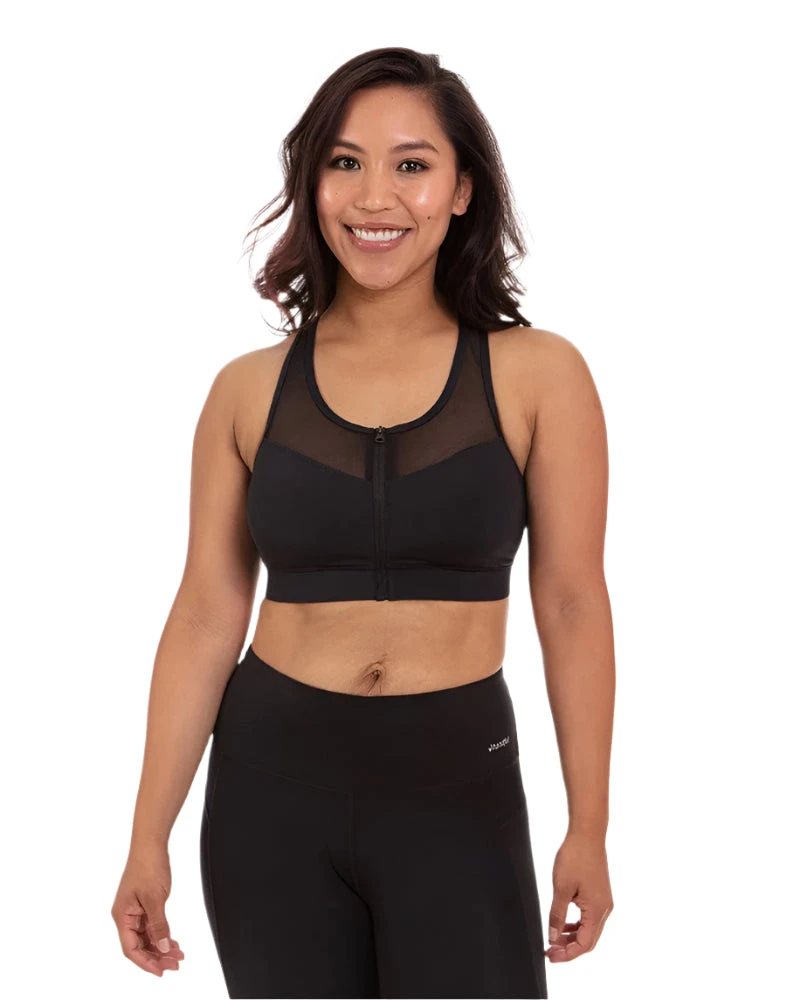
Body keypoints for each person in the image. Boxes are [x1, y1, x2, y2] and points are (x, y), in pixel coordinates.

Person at [110, 46, 615, 999]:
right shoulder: (245, 391)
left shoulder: (539, 375)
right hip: (269, 792)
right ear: (313, 183)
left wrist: (588, 825)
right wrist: (147, 836)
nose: (375, 196)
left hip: (457, 787)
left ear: (461, 190)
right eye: (345, 162)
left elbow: (573, 603)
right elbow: (207, 616)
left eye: (411, 164)